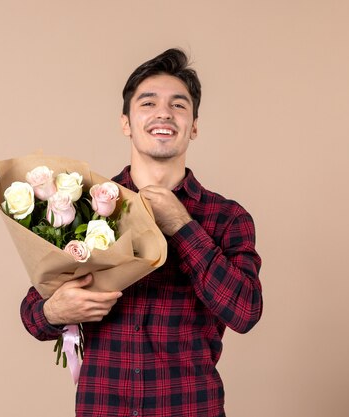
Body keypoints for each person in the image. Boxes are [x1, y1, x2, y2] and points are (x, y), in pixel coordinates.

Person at [20, 48, 263, 417]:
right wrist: (55, 310)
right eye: (148, 103)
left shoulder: (226, 218)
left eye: (179, 105)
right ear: (126, 123)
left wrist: (183, 226)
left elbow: (245, 311)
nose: (164, 112)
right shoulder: (81, 205)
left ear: (194, 126)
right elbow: (32, 313)